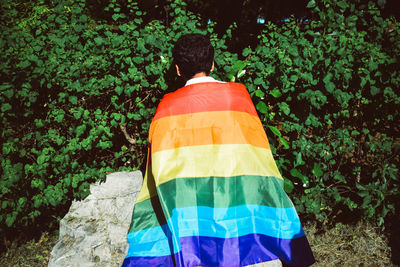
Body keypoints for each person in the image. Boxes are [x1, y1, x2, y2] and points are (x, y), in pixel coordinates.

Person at [122, 33, 315, 267]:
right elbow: (258, 158)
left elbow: (161, 172)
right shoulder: (238, 97)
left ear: (177, 69)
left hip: (191, 220)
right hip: (244, 217)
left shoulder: (167, 108)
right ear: (213, 64)